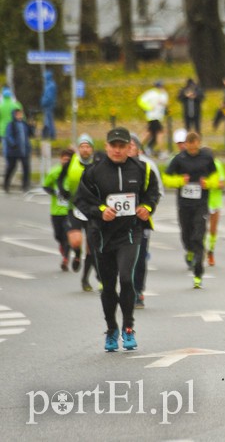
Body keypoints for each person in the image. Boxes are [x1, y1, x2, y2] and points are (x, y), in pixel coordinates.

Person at [73, 127, 160, 352]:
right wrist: (101, 209)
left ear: (129, 147)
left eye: (123, 146)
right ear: (107, 146)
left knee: (127, 278)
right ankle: (111, 328)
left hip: (130, 234)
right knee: (109, 285)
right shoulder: (94, 171)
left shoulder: (142, 169)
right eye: (114, 146)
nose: (118, 150)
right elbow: (82, 200)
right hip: (102, 236)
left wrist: (147, 207)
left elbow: (152, 193)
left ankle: (128, 327)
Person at [163, 131, 219, 289]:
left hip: (201, 203)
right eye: (190, 147)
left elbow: (216, 177)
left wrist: (207, 183)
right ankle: (188, 250)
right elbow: (166, 178)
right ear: (186, 145)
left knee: (198, 236)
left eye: (196, 147)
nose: (193, 150)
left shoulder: (207, 158)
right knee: (186, 233)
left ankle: (198, 274)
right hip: (184, 204)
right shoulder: (179, 159)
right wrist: (180, 180)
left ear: (199, 144)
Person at [58, 134, 101, 290]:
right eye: (82, 146)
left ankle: (85, 279)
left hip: (91, 209)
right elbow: (60, 179)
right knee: (76, 241)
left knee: (91, 246)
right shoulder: (71, 162)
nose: (85, 149)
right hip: (75, 207)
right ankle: (76, 254)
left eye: (88, 146)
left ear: (92, 149)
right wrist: (63, 191)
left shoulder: (97, 163)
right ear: (78, 148)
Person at [128, 134, 164, 309]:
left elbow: (156, 193)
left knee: (139, 258)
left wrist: (148, 208)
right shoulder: (110, 168)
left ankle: (137, 291)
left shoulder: (147, 168)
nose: (127, 147)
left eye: (131, 144)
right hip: (116, 224)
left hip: (140, 223)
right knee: (121, 260)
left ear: (138, 148)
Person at [44, 148, 75, 270]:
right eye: (64, 159)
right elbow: (45, 186)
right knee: (58, 235)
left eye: (69, 160)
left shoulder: (73, 172)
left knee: (68, 234)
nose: (66, 162)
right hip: (56, 210)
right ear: (61, 159)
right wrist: (54, 192)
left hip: (70, 210)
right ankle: (62, 246)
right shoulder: (54, 172)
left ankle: (66, 258)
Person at [3, 108, 33, 192]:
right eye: (18, 114)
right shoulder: (11, 124)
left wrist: (32, 126)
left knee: (26, 167)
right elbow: (8, 136)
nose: (20, 115)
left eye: (21, 114)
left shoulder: (24, 124)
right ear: (14, 115)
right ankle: (6, 184)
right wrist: (13, 144)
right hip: (14, 151)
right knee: (12, 167)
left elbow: (30, 134)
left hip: (24, 150)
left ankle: (25, 185)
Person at [137, 80, 169, 155]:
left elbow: (165, 104)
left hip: (158, 117)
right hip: (152, 116)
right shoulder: (151, 93)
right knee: (159, 133)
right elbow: (141, 100)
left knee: (149, 133)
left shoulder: (164, 94)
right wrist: (148, 107)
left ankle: (141, 147)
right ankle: (162, 151)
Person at [40, 70, 57, 140]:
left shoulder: (50, 86)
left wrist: (43, 102)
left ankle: (50, 135)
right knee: (49, 120)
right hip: (48, 105)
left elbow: (49, 97)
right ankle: (50, 135)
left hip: (48, 105)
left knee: (48, 121)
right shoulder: (49, 85)